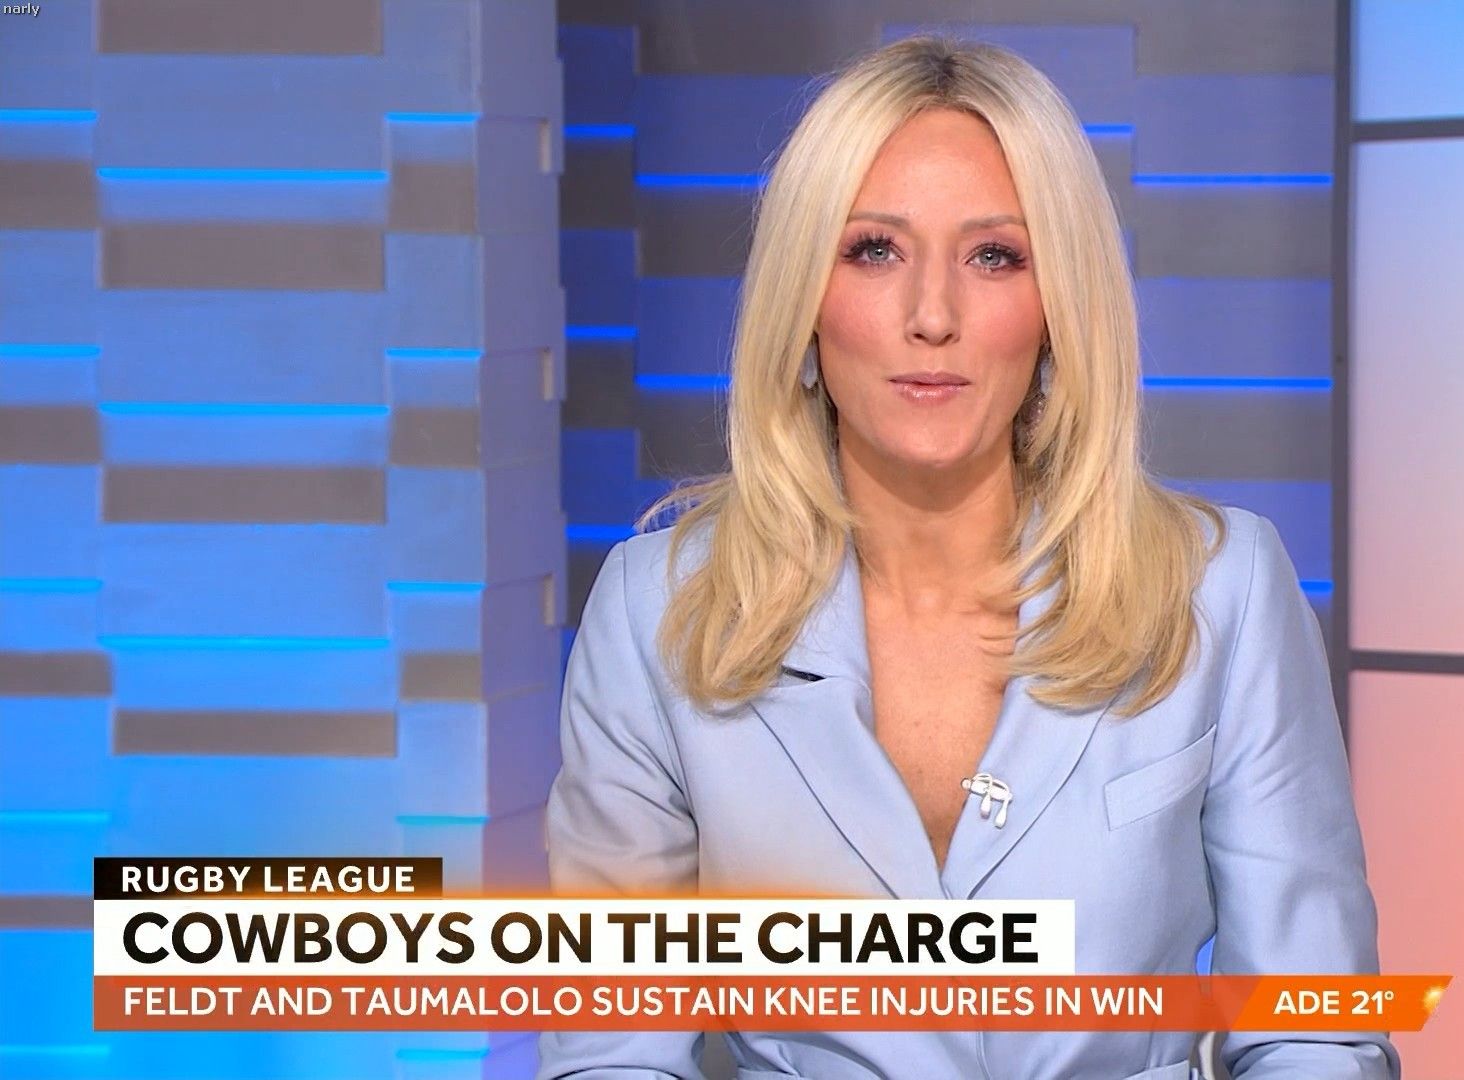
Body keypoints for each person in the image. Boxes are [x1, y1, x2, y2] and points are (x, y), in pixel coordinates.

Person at [538, 34, 1398, 1080]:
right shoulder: (655, 614)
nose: (932, 316)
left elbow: (1312, 1027)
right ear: (803, 300)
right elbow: (614, 1050)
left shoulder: (1222, 592)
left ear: (1059, 306)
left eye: (994, 256)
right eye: (874, 250)